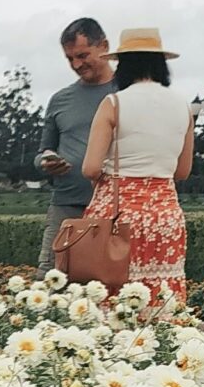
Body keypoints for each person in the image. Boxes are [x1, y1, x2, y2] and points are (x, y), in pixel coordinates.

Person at [74, 27, 193, 306]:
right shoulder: (182, 106)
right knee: (161, 299)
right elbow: (182, 171)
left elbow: (91, 168)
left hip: (118, 216)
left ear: (123, 65)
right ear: (161, 64)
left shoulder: (113, 103)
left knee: (113, 297)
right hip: (165, 216)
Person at [37, 17, 118, 272]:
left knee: (110, 288)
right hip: (66, 205)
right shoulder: (60, 100)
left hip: (116, 208)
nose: (76, 64)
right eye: (70, 58)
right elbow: (43, 150)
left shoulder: (128, 93)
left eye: (82, 55)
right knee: (50, 283)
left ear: (104, 46)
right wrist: (46, 161)